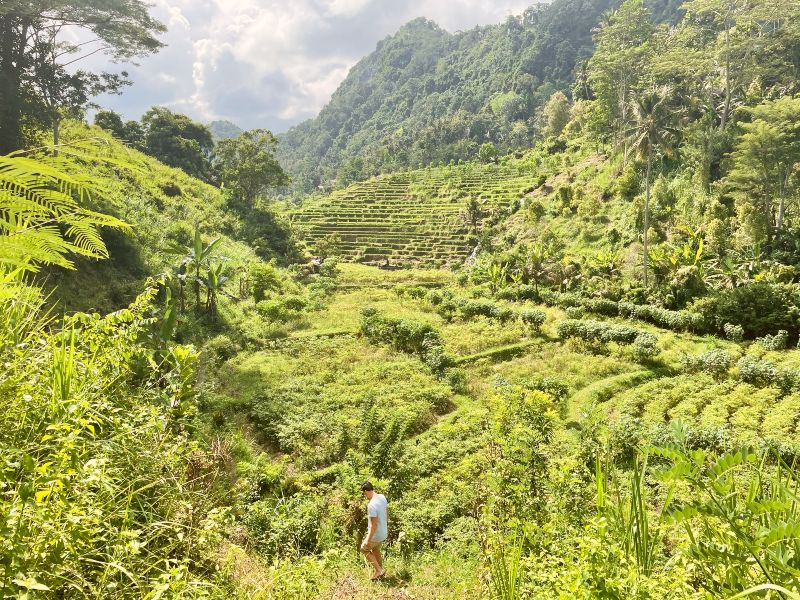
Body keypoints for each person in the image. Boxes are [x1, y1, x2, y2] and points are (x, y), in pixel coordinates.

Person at [360, 481, 388, 580]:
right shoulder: (382, 497)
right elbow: (385, 513)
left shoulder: (371, 505)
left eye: (364, 494)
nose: (365, 496)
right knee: (376, 550)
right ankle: (381, 571)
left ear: (367, 491)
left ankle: (378, 570)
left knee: (364, 549)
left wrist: (368, 539)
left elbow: (373, 525)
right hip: (384, 532)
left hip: (376, 534)